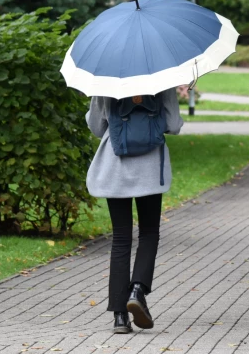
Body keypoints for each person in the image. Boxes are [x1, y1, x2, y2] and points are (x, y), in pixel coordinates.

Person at [86, 89, 184, 334]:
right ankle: (137, 290)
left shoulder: (105, 80)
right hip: (150, 167)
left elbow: (97, 127)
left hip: (115, 166)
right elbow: (173, 124)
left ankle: (120, 317)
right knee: (149, 232)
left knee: (121, 238)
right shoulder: (163, 79)